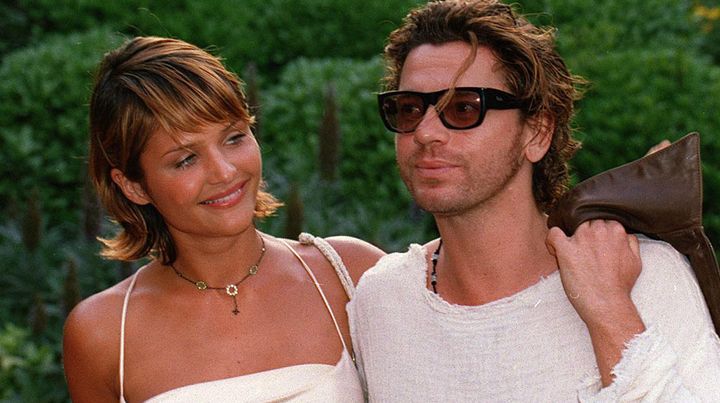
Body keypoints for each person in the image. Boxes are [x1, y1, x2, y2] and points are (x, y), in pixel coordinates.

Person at [347, 0, 720, 401]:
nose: (426, 132)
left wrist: (610, 311)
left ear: (537, 133)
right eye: (408, 110)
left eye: (463, 108)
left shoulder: (643, 276)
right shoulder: (383, 300)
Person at [62, 36, 384, 402]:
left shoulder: (351, 276)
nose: (224, 171)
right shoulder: (101, 334)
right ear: (134, 186)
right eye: (185, 159)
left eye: (233, 138)